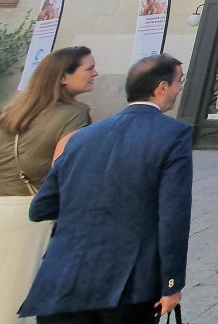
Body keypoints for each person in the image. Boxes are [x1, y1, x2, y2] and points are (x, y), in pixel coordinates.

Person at [18, 54, 192, 323]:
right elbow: (173, 215)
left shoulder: (81, 138)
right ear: (161, 87)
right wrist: (171, 283)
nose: (180, 88)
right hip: (128, 282)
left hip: (63, 278)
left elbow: (42, 208)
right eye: (178, 81)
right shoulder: (173, 134)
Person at [0, 46, 96, 324]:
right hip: (29, 214)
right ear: (63, 77)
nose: (96, 73)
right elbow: (63, 170)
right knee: (16, 300)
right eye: (89, 68)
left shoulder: (11, 112)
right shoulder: (74, 115)